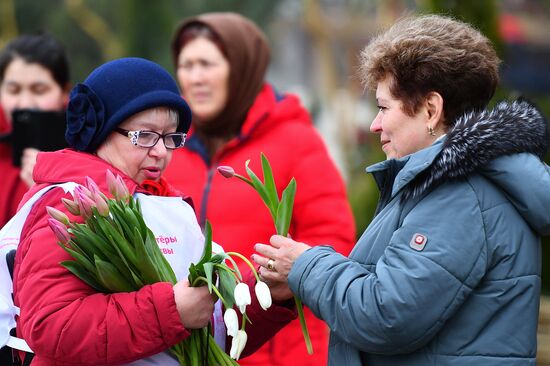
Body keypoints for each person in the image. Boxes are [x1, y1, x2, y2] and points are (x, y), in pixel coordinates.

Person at [254, 14, 550, 365]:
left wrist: (305, 265)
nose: (374, 124)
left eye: (383, 108)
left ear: (430, 109)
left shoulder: (459, 194)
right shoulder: (450, 183)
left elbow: (387, 314)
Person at [11, 57, 296, 365]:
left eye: (171, 137)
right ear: (100, 132)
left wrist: (265, 295)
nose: (160, 151)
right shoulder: (72, 203)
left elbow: (206, 333)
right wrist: (172, 311)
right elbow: (51, 326)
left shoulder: (168, 206)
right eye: (144, 136)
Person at [165, 11, 356, 366]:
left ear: (241, 67)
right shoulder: (168, 150)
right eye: (186, 65)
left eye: (207, 64)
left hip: (278, 350)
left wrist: (276, 279)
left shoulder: (296, 141)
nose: (195, 78)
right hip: (188, 349)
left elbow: (333, 242)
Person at [0, 32, 70, 228]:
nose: (24, 103)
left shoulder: (88, 152)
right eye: (13, 90)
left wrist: (46, 194)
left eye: (39, 90)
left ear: (64, 92)